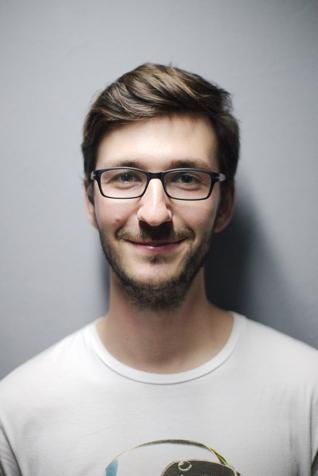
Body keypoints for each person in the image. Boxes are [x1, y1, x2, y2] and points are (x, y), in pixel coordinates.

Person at [0, 63, 317, 476]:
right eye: (126, 177)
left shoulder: (309, 394)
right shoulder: (15, 414)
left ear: (224, 205)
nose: (154, 213)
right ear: (90, 200)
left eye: (186, 178)